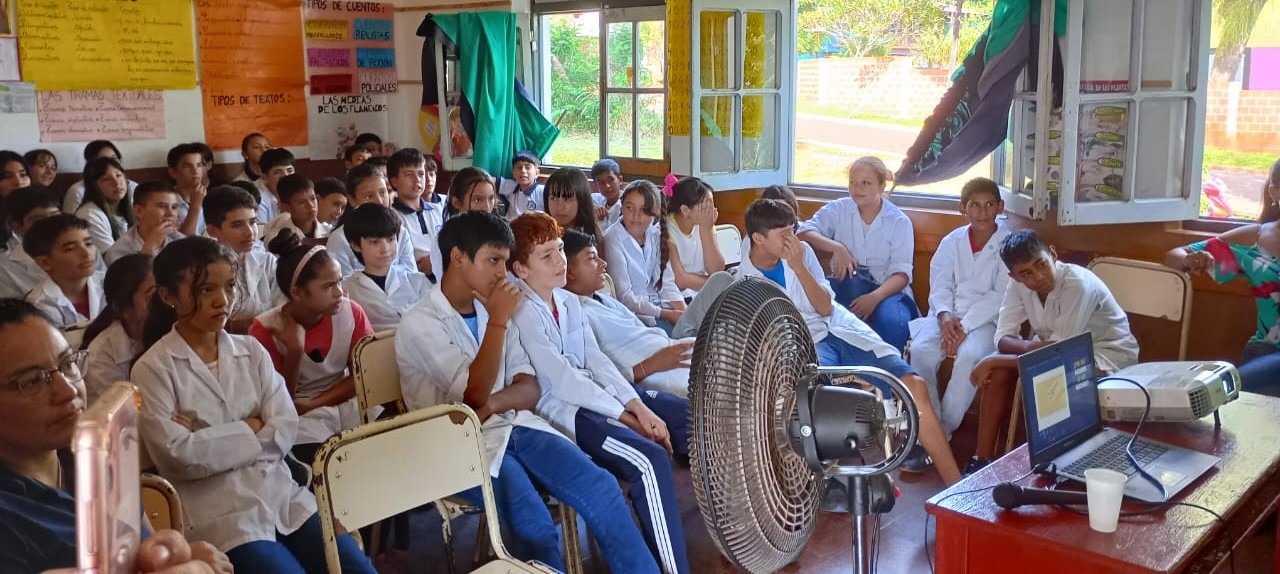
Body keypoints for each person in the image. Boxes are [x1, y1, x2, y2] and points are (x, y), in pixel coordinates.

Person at [396, 210, 658, 572]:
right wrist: (500, 323)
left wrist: (492, 404)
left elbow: (529, 388)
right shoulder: (420, 322)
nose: (502, 273)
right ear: (457, 258)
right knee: (533, 522)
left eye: (505, 261)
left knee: (603, 487)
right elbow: (472, 397)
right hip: (457, 444)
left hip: (515, 425)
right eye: (493, 260)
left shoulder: (492, 307)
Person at [135, 237, 375, 573]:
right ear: (168, 296)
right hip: (220, 514)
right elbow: (177, 458)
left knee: (357, 569)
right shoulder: (154, 368)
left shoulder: (251, 351)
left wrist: (213, 437)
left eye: (230, 287)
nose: (223, 301)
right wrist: (251, 425)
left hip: (282, 496)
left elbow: (285, 427)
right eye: (206, 290)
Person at [508, 212, 689, 573]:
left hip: (594, 404)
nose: (560, 261)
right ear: (521, 269)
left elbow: (598, 362)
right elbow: (562, 381)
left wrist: (639, 407)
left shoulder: (568, 302)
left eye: (560, 249)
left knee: (656, 439)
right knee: (647, 460)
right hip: (563, 414)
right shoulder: (523, 310)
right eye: (547, 256)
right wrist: (625, 417)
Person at [0, 298, 233, 573]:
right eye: (31, 381)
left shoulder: (100, 457)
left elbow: (147, 547)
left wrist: (181, 557)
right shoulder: (9, 522)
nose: (69, 391)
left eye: (67, 364)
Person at [740, 198, 961, 485]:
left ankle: (956, 489)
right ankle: (814, 482)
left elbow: (825, 308)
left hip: (838, 327)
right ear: (758, 238)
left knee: (913, 386)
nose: (791, 239)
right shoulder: (745, 280)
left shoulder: (802, 253)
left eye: (792, 231)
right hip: (803, 343)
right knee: (807, 403)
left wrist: (799, 268)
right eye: (783, 235)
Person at [969, 229, 1138, 469]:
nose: (1038, 277)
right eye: (1026, 273)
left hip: (1107, 355)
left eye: (1041, 264)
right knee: (999, 372)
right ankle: (981, 459)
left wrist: (994, 360)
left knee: (1049, 374)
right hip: (1056, 352)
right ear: (1014, 276)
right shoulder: (1017, 285)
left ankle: (1058, 463)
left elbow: (1058, 358)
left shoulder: (1076, 284)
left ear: (1053, 254)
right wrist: (1030, 347)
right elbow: (1003, 337)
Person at [251, 230, 373, 463]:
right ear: (297, 292)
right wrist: (294, 351)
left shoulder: (351, 311)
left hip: (345, 400)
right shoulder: (265, 330)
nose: (339, 293)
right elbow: (279, 403)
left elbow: (365, 376)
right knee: (328, 467)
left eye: (338, 282)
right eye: (328, 286)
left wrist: (316, 403)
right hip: (299, 415)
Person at [563, 229, 730, 397]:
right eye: (592, 258)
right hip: (657, 372)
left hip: (670, 347)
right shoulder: (575, 315)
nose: (603, 263)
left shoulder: (604, 299)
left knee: (723, 284)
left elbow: (641, 329)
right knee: (726, 378)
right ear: (569, 271)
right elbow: (598, 383)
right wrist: (651, 365)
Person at [1165, 158, 1280, 395]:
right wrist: (1192, 260)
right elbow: (1173, 255)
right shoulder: (1254, 240)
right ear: (1274, 192)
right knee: (1228, 393)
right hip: (1268, 351)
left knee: (1229, 390)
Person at [907, 178, 1010, 439]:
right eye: (975, 205)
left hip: (986, 320)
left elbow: (1000, 295)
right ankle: (928, 425)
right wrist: (944, 316)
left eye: (989, 205)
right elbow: (940, 284)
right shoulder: (951, 241)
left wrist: (964, 327)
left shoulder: (1009, 244)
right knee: (921, 351)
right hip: (946, 316)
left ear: (1000, 207)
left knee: (971, 355)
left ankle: (943, 430)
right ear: (962, 208)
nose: (983, 212)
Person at [798, 156, 919, 351]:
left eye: (866, 183)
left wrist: (874, 298)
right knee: (814, 311)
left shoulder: (899, 222)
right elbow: (803, 232)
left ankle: (884, 378)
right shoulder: (839, 208)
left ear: (881, 186)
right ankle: (832, 372)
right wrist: (837, 248)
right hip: (846, 285)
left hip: (886, 291)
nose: (857, 188)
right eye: (852, 183)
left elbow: (902, 275)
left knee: (893, 323)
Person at [602, 180, 685, 332]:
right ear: (622, 206)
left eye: (644, 210)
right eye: (629, 208)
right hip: (635, 317)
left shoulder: (655, 233)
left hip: (659, 306)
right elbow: (624, 297)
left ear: (655, 212)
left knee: (698, 330)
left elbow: (665, 282)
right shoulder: (612, 239)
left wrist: (683, 312)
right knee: (685, 345)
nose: (635, 216)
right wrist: (667, 314)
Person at [203, 185, 282, 333]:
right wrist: (267, 320)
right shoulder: (204, 270)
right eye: (237, 225)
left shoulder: (268, 262)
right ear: (212, 230)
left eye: (252, 222)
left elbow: (285, 311)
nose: (250, 232)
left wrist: (247, 322)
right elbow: (215, 325)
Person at [340, 204, 427, 331]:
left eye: (391, 239)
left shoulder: (417, 281)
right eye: (374, 242)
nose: (385, 249)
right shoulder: (347, 289)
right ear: (355, 245)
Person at [80, 253, 152, 404]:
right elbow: (133, 413)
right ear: (124, 308)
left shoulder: (173, 328)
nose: (165, 301)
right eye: (152, 296)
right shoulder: (102, 356)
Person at [326, 163, 416, 276]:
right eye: (368, 196)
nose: (379, 201)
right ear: (352, 200)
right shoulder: (339, 238)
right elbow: (343, 284)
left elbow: (412, 275)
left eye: (383, 193)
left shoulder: (400, 231)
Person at [24, 215, 105, 328]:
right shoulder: (39, 305)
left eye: (88, 244)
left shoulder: (110, 282)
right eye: (70, 248)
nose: (86, 253)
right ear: (44, 263)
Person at [664, 176, 726, 300]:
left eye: (712, 205)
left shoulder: (705, 225)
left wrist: (706, 230)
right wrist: (714, 283)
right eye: (706, 207)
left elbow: (716, 270)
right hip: (676, 298)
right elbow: (680, 280)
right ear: (685, 210)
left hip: (701, 293)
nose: (712, 211)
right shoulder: (666, 230)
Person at [387, 148, 441, 276]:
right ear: (394, 181)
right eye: (409, 174)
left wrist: (435, 260)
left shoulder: (438, 210)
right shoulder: (393, 217)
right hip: (413, 282)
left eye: (421, 174)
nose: (417, 180)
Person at [0, 186, 60, 298]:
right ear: (17, 226)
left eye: (55, 216)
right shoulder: (5, 270)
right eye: (38, 221)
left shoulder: (86, 249)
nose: (51, 225)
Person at [104, 182, 183, 265]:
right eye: (162, 206)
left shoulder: (179, 240)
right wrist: (148, 250)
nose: (171, 213)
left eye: (174, 207)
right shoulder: (119, 252)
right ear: (139, 211)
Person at [74, 157, 134, 254]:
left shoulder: (131, 207)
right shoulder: (90, 215)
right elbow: (112, 258)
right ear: (93, 186)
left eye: (118, 175)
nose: (116, 182)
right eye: (105, 179)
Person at [62, 141, 138, 215]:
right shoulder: (77, 192)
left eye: (114, 158)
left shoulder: (134, 186)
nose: (110, 164)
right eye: (103, 160)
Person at [545, 168, 605, 250]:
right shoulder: (541, 234)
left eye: (567, 199)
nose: (559, 206)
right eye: (553, 198)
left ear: (582, 200)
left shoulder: (592, 232)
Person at [262, 174, 330, 245]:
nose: (310, 205)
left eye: (313, 199)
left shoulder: (329, 232)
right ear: (286, 207)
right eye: (302, 202)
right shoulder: (276, 238)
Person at [166, 144, 209, 238]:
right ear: (173, 172)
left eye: (199, 165)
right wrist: (195, 206)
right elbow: (183, 241)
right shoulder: (168, 203)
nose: (195, 171)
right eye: (187, 166)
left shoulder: (211, 197)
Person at [497, 151, 543, 219]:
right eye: (519, 167)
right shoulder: (511, 186)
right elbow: (488, 181)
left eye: (527, 167)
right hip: (511, 227)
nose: (523, 171)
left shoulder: (542, 192)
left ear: (537, 173)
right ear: (513, 173)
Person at [257, 147, 296, 225]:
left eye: (289, 170)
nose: (286, 176)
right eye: (278, 172)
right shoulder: (259, 200)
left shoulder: (300, 193)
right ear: (265, 177)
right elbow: (261, 234)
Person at [590, 159, 624, 227]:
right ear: (595, 185)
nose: (607, 186)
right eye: (601, 182)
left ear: (620, 180)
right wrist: (592, 207)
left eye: (611, 180)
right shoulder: (597, 199)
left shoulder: (626, 205)